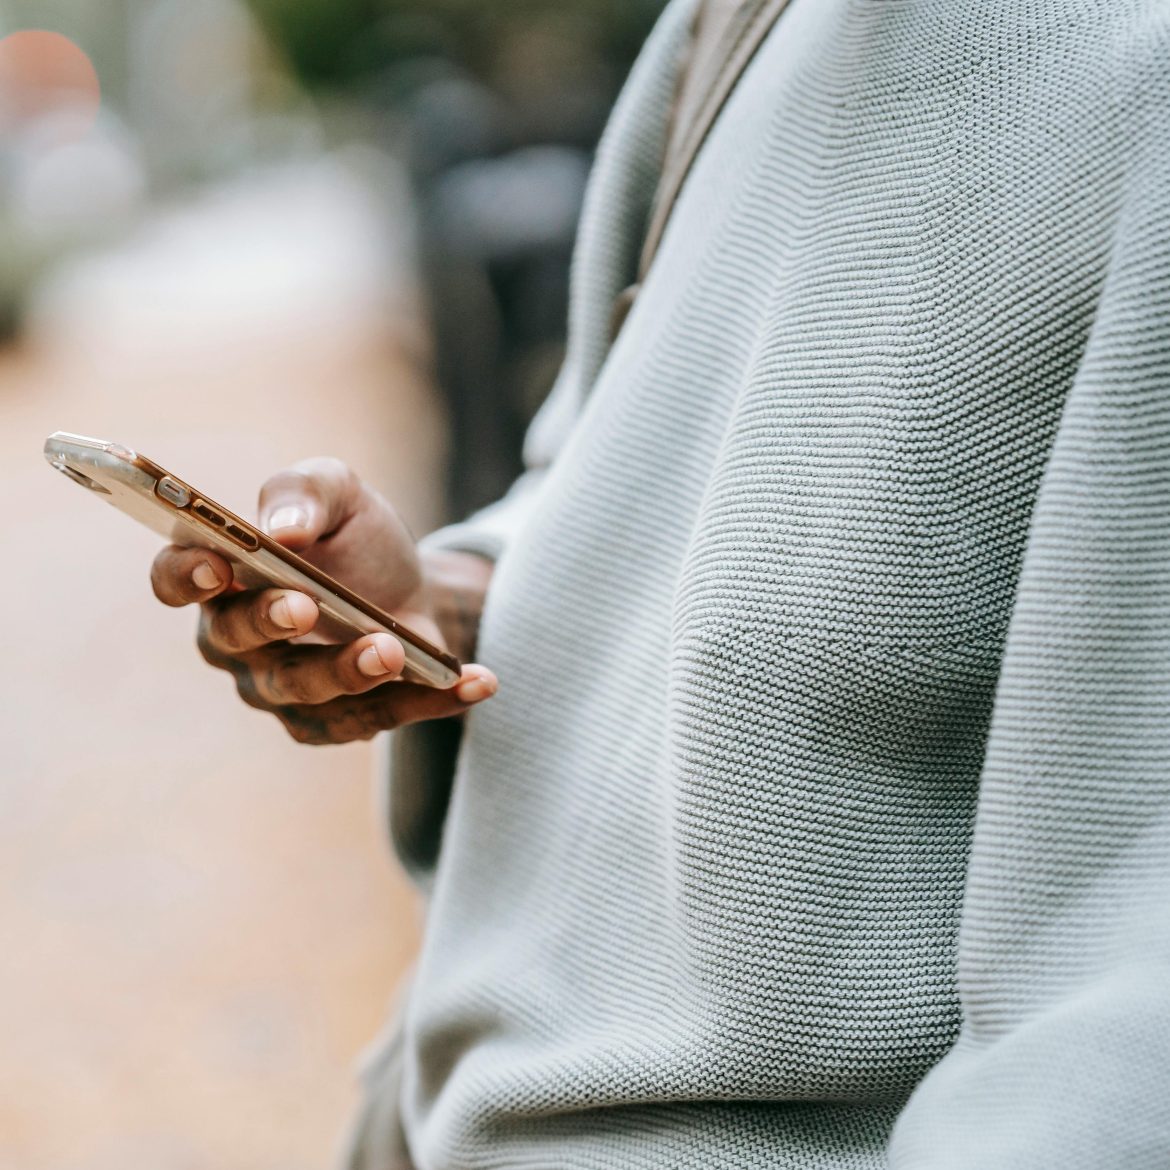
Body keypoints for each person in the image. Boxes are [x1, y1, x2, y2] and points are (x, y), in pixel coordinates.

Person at [150, 0, 1170, 1166]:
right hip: (453, 1113)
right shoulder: (733, 21)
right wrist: (450, 602)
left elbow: (1132, 994)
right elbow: (621, 471)